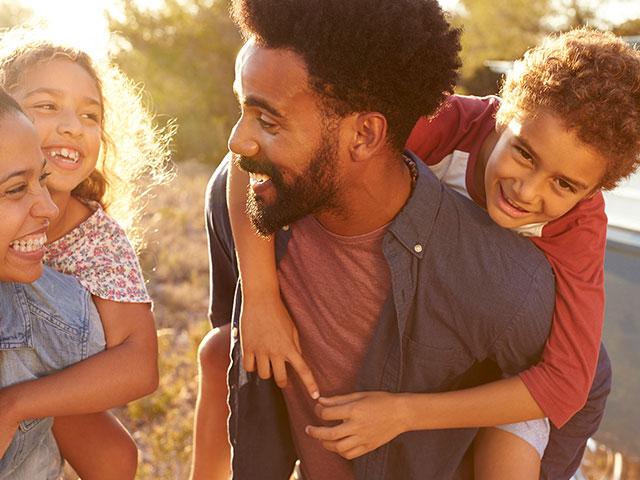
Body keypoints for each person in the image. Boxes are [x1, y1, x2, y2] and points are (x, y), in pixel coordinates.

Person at [194, 0, 600, 478]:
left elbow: (569, 383)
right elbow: (248, 156)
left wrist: (405, 412)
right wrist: (260, 298)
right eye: (525, 156)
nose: (528, 191)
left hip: (552, 372)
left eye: (564, 185)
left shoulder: (545, 260)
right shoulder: (436, 123)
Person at [0, 28, 172, 479]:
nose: (73, 126)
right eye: (47, 106)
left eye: (90, 115)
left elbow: (139, 364)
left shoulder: (97, 239)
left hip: (44, 393)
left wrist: (17, 404)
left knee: (114, 454)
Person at [0, 88, 97, 478]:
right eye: (15, 189)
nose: (49, 208)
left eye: (40, 179)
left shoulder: (54, 315)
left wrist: (15, 405)